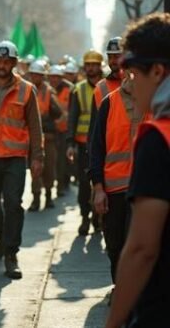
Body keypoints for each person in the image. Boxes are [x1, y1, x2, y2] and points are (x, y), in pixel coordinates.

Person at [105, 13, 170, 328]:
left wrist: (114, 321)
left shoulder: (159, 137)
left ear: (157, 72)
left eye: (133, 73)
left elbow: (143, 248)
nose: (129, 84)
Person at [0, 40, 43, 280]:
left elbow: (35, 126)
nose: (2, 65)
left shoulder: (26, 89)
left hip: (15, 157)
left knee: (13, 203)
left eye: (7, 62)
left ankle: (11, 254)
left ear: (14, 64)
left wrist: (37, 157)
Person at [88, 71, 143, 307]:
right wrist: (98, 188)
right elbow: (96, 148)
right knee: (115, 244)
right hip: (114, 189)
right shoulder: (110, 102)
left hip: (146, 189)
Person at [67, 49, 104, 236]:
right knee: (83, 184)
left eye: (94, 65)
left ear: (100, 66)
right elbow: (72, 117)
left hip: (106, 144)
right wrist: (70, 143)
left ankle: (99, 218)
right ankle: (85, 217)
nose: (91, 68)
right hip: (83, 145)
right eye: (88, 65)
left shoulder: (109, 86)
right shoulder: (78, 89)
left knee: (103, 183)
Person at [25, 60, 63, 211]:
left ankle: (48, 196)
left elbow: (58, 112)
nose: (35, 77)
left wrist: (45, 118)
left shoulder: (49, 91)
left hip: (48, 137)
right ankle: (35, 199)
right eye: (33, 74)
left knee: (49, 168)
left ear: (43, 76)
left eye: (38, 75)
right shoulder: (26, 90)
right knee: (35, 170)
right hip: (33, 139)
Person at [47, 65, 74, 196]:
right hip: (51, 131)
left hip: (64, 130)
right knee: (51, 160)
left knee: (62, 160)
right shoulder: (46, 89)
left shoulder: (69, 89)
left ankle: (61, 185)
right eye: (52, 77)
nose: (54, 79)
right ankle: (49, 186)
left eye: (57, 77)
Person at [94, 37, 124, 108]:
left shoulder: (137, 83)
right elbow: (96, 118)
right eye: (110, 57)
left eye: (116, 57)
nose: (112, 61)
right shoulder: (100, 87)